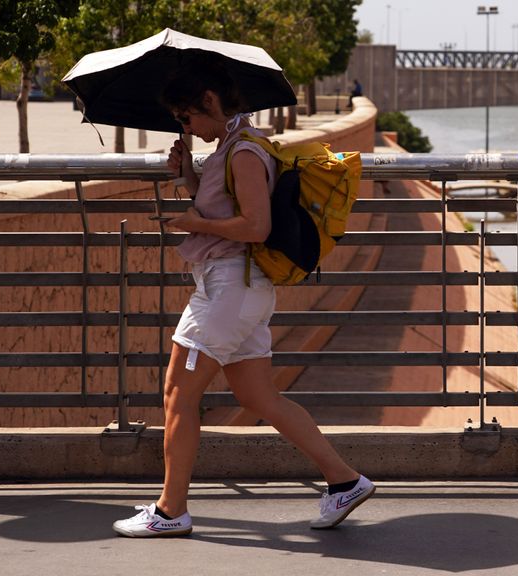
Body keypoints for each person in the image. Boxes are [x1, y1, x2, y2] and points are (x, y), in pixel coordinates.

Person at [112, 57, 374, 538]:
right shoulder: (235, 146)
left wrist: (195, 223)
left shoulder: (245, 154)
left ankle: (170, 512)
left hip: (229, 288)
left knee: (177, 394)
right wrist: (189, 173)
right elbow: (227, 206)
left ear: (210, 101)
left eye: (188, 117)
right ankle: (345, 481)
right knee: (259, 396)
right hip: (241, 289)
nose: (186, 126)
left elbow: (256, 226)